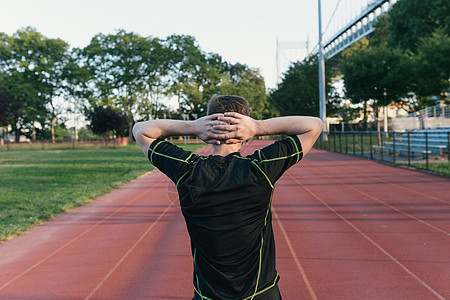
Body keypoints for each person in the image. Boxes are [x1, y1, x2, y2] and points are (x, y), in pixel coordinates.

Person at [133, 95, 323, 300]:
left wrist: (194, 127)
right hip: (260, 294)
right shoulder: (261, 168)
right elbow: (314, 125)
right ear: (246, 131)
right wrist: (259, 126)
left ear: (207, 123)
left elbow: (140, 130)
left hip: (208, 296)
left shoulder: (187, 170)